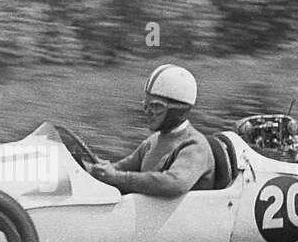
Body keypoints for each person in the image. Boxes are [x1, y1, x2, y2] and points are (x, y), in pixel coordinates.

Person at [86, 64, 215, 197]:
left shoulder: (194, 145)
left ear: (179, 110)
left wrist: (117, 177)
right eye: (146, 105)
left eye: (156, 106)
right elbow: (119, 169)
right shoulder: (153, 141)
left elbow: (174, 184)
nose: (148, 112)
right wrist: (92, 168)